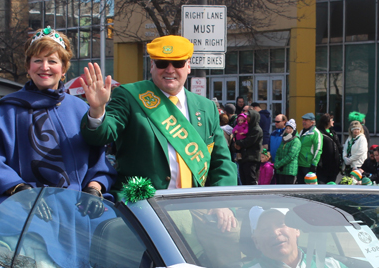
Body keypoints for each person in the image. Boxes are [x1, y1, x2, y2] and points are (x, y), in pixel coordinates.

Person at [0, 27, 116, 246]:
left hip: (75, 209)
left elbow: (98, 160)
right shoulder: (6, 109)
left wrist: (94, 188)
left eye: (52, 61)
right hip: (21, 208)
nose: (45, 67)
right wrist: (20, 190)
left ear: (64, 69)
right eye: (38, 60)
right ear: (28, 67)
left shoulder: (80, 109)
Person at [80, 35, 237, 198]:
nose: (170, 70)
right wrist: (97, 110)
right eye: (162, 63)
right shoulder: (130, 96)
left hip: (193, 206)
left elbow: (222, 162)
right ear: (152, 65)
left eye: (178, 63)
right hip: (142, 205)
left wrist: (223, 202)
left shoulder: (206, 107)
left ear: (188, 66)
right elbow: (101, 135)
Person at [235, 209, 360, 268]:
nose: (275, 233)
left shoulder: (334, 266)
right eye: (265, 230)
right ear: (256, 241)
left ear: (297, 230)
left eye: (281, 224)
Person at [234, 109, 263, 185]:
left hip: (252, 158)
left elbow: (248, 142)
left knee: (251, 180)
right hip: (244, 157)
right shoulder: (247, 127)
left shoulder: (256, 129)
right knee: (244, 180)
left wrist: (238, 143)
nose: (247, 118)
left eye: (249, 116)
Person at [316, 113, 342, 184]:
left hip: (334, 167)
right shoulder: (319, 133)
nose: (333, 122)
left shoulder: (332, 132)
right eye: (331, 120)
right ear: (327, 121)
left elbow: (338, 146)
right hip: (324, 167)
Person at [297, 113, 322, 184]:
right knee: (300, 185)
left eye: (306, 120)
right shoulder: (302, 131)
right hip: (300, 163)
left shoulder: (316, 133)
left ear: (312, 122)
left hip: (308, 165)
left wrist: (314, 164)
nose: (303, 122)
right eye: (303, 120)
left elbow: (318, 149)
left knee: (308, 186)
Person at [274, 119, 300, 185]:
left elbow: (290, 156)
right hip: (280, 170)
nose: (288, 130)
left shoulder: (296, 141)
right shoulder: (284, 139)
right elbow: (278, 152)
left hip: (290, 171)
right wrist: (276, 163)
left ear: (293, 129)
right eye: (287, 128)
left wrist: (279, 164)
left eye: (290, 128)